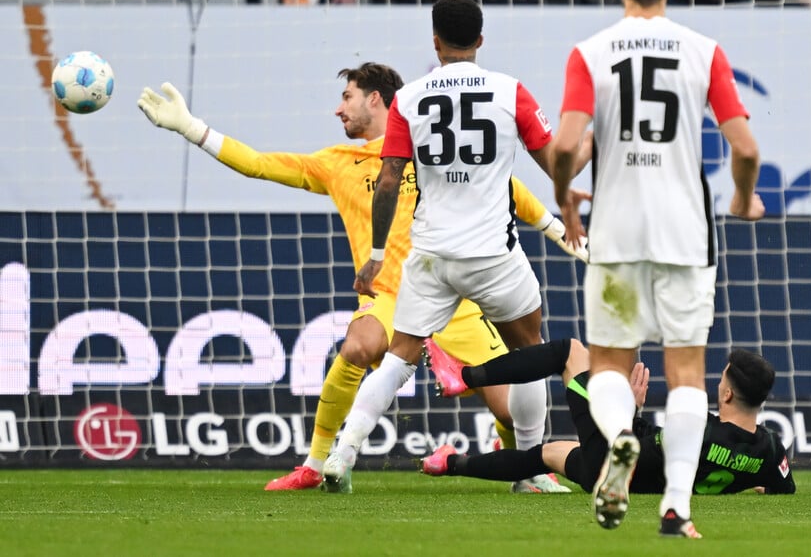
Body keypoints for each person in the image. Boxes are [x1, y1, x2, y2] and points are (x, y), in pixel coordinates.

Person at [136, 62, 586, 494]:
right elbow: (257, 163)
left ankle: (522, 464)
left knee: (510, 407)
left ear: (375, 99)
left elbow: (508, 187)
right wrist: (191, 127)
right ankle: (315, 464)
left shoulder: (422, 143)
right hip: (396, 292)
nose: (338, 108)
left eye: (346, 96)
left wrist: (554, 228)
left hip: (460, 294)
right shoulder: (336, 162)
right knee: (358, 347)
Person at [322, 0, 584, 492]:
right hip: (493, 255)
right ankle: (529, 472)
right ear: (481, 40)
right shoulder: (512, 92)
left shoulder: (409, 99)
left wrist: (377, 256)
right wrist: (572, 195)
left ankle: (344, 452)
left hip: (431, 256)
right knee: (530, 352)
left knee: (398, 358)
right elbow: (556, 166)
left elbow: (388, 179)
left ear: (435, 41)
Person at [551, 0, 765, 538]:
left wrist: (567, 197)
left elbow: (566, 145)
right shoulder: (704, 51)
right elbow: (745, 147)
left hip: (617, 234)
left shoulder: (589, 52)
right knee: (689, 373)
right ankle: (676, 508)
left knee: (613, 365)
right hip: (684, 234)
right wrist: (744, 198)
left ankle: (621, 437)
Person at [420, 339, 795, 497]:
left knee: (570, 352)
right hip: (628, 481)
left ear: (726, 393)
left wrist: (629, 411)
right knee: (547, 454)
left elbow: (629, 449)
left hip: (612, 470)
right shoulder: (771, 450)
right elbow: (783, 487)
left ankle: (465, 378)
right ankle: (449, 463)